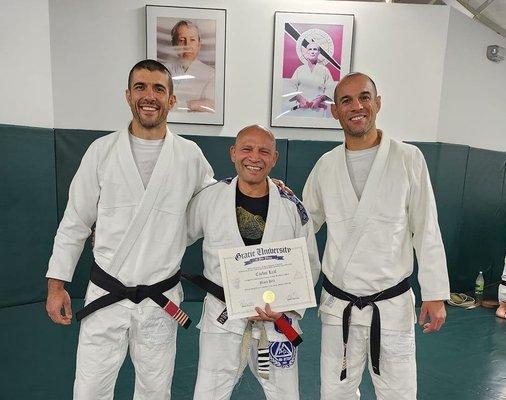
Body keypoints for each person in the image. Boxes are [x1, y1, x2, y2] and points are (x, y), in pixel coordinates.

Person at [45, 59, 214, 400]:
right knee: (90, 389)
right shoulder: (101, 151)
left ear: (171, 100)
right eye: (140, 87)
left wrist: (262, 187)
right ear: (127, 95)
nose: (149, 96)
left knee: (155, 391)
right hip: (106, 294)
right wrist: (56, 284)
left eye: (158, 89)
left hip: (160, 298)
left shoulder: (189, 155)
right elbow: (75, 221)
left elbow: (214, 207)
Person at [302, 72, 450, 400]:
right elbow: (303, 227)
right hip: (339, 304)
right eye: (346, 100)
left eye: (364, 97)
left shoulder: (408, 158)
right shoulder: (325, 166)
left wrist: (435, 292)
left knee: (398, 393)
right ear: (335, 111)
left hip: (391, 305)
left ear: (377, 103)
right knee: (335, 392)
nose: (357, 106)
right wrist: (280, 202)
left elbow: (426, 227)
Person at [185, 124, 321, 400]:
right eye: (246, 148)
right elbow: (175, 237)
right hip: (222, 318)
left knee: (285, 395)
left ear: (274, 158)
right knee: (208, 394)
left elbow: (309, 265)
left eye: (264, 151)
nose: (254, 157)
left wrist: (286, 306)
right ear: (233, 153)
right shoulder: (209, 199)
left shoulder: (292, 206)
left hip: (277, 321)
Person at [168, 20, 215, 113]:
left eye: (192, 40)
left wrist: (187, 105)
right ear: (174, 44)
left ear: (199, 45)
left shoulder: (211, 74)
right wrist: (195, 105)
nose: (187, 45)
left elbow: (211, 107)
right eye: (182, 40)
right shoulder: (164, 71)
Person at [286, 39, 334, 117]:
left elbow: (331, 88)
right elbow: (290, 87)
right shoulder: (300, 69)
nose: (312, 51)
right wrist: (299, 98)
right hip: (301, 109)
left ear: (319, 53)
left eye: (315, 49)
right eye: (310, 49)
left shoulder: (324, 70)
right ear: (306, 52)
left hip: (319, 110)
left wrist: (320, 99)